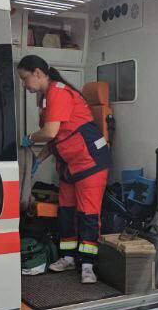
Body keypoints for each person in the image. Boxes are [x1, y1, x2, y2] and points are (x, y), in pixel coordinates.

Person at [17, 55, 111, 285]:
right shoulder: (46, 98)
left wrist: (29, 138)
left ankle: (87, 265)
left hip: (90, 160)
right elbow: (56, 137)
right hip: (69, 163)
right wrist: (38, 159)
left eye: (24, 78)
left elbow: (49, 132)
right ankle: (68, 257)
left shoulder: (58, 92)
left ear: (38, 73)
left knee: (88, 214)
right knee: (66, 211)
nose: (24, 84)